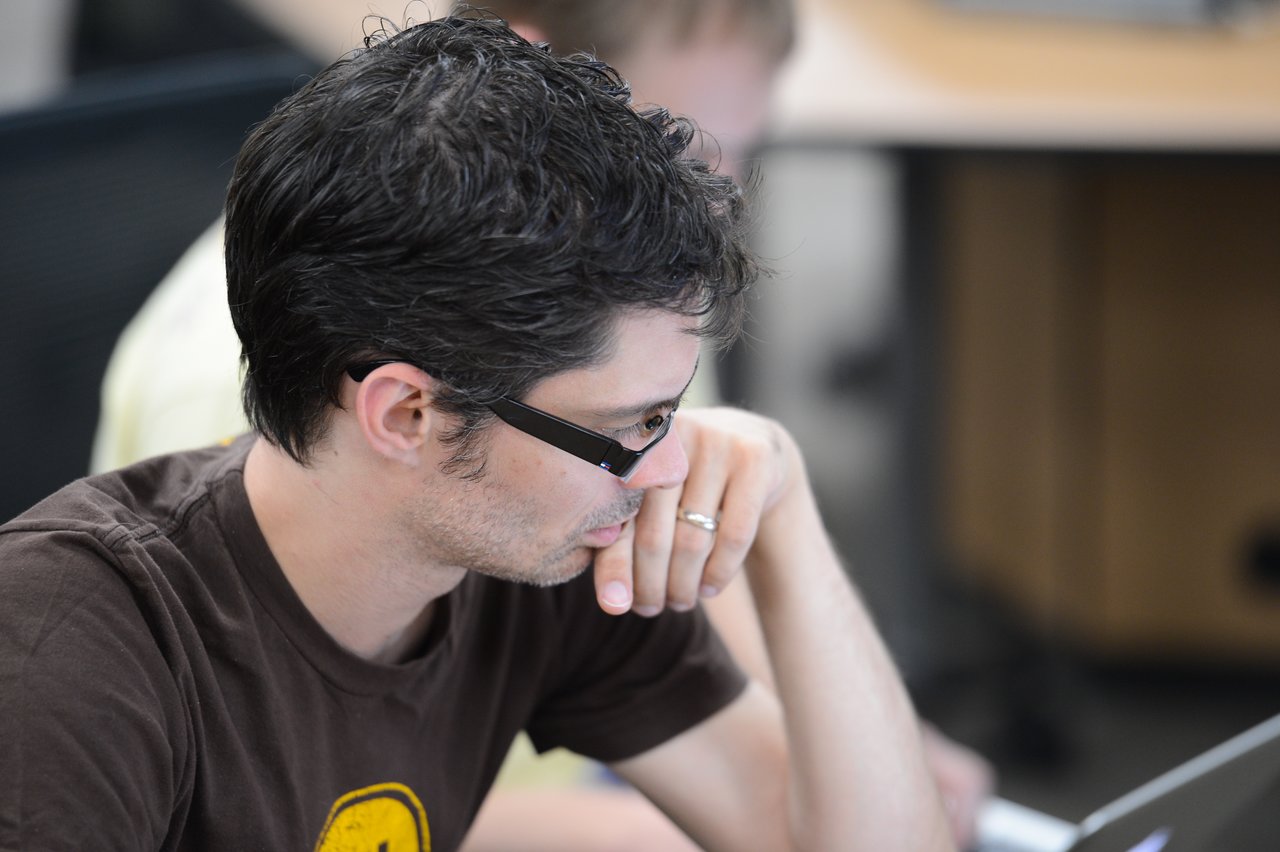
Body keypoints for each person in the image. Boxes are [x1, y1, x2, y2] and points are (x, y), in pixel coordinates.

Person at [0, 15, 956, 850]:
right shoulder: (72, 665)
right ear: (406, 413)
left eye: (669, 412)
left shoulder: (535, 552)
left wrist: (783, 509)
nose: (666, 465)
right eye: (629, 425)